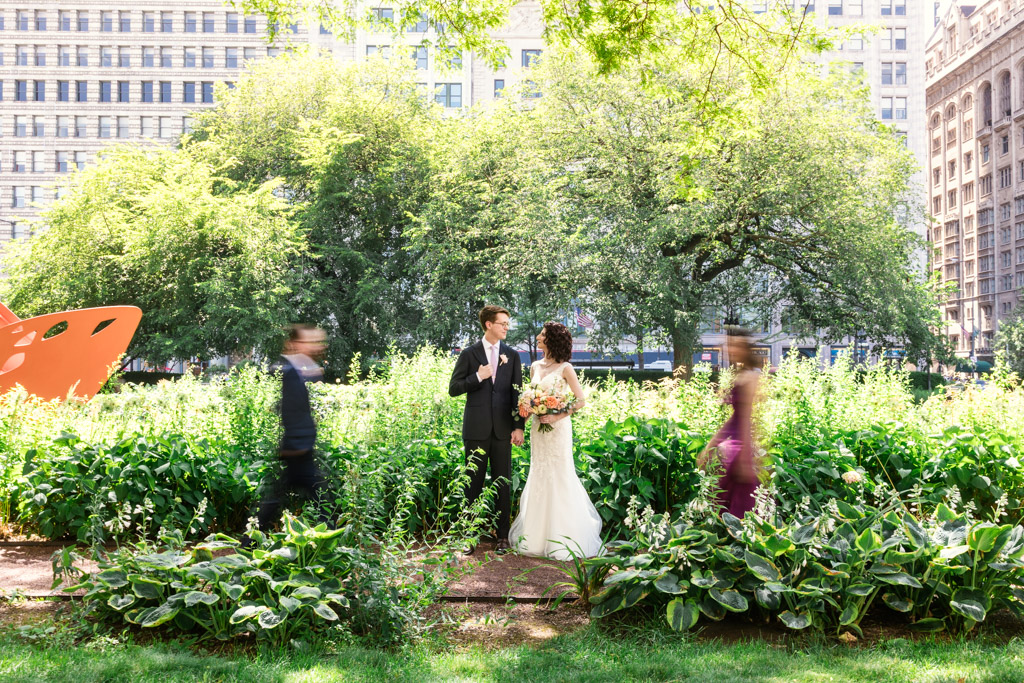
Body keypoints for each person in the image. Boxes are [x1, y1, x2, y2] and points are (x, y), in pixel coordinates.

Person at [509, 322, 602, 560]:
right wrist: (527, 407)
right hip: (538, 428)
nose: (538, 338)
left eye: (541, 335)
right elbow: (531, 395)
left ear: (551, 339)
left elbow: (580, 400)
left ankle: (563, 538)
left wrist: (558, 415)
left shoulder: (566, 368)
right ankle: (535, 537)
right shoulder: (535, 366)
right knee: (539, 473)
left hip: (558, 429)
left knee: (559, 474)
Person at [449, 306, 525, 554]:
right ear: (488, 325)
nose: (506, 327)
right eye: (502, 323)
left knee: (503, 484)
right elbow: (454, 388)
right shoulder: (470, 354)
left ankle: (502, 537)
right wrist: (478, 377)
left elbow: (517, 393)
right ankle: (469, 536)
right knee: (473, 483)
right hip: (476, 430)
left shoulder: (511, 355)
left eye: (507, 323)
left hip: (503, 430)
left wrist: (518, 426)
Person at [255, 324, 331, 533]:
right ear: (294, 344)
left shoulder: (295, 369)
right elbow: (289, 410)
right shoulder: (288, 371)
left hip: (297, 447)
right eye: (308, 342)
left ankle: (252, 538)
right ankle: (331, 539)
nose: (313, 346)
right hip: (298, 447)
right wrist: (299, 444)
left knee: (279, 496)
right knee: (322, 499)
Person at [699, 327, 761, 518]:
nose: (732, 350)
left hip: (740, 449)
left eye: (736, 346)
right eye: (730, 346)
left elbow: (745, 419)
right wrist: (711, 445)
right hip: (733, 447)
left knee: (739, 503)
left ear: (745, 349)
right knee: (723, 498)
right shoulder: (740, 374)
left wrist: (744, 458)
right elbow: (733, 418)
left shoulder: (751, 376)